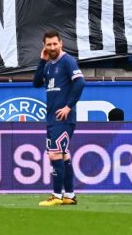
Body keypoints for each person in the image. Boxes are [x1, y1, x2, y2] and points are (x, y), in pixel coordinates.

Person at [34, 30, 85, 206]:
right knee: (62, 155)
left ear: (61, 43)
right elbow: (36, 82)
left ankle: (56, 196)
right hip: (52, 118)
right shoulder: (48, 64)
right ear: (44, 46)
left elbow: (80, 82)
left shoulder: (67, 61)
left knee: (55, 154)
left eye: (55, 43)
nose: (52, 47)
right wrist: (42, 61)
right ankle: (70, 197)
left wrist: (68, 106)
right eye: (49, 44)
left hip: (63, 118)